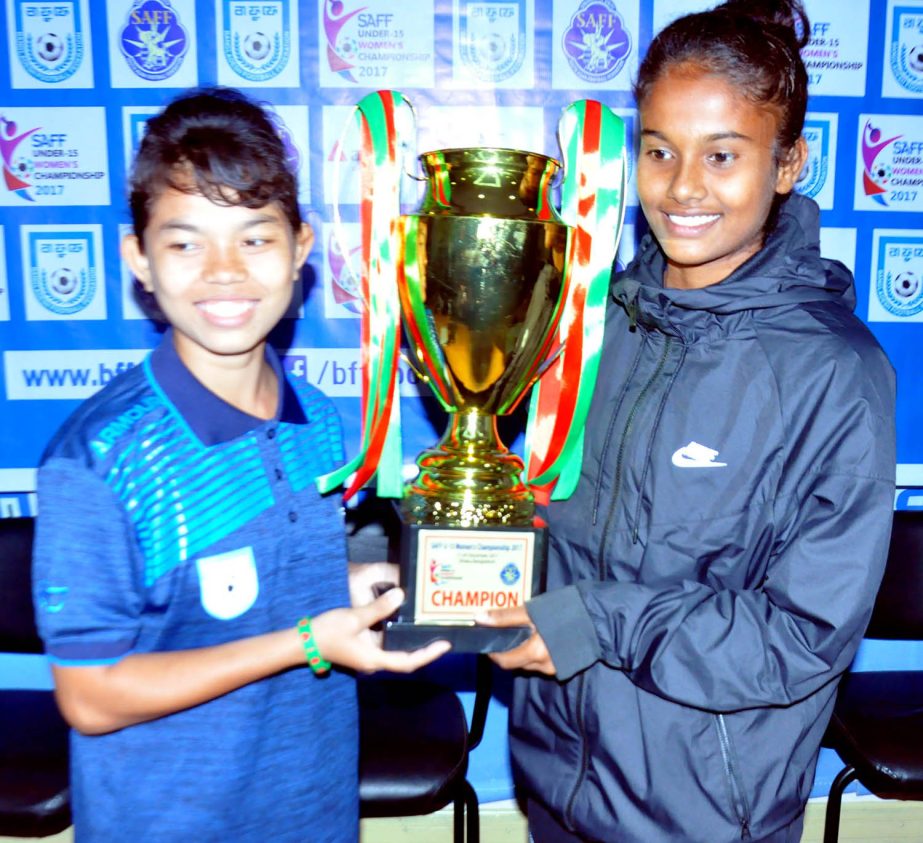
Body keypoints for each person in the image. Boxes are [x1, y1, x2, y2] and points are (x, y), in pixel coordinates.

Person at [477, 2, 897, 841]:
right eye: (659, 150)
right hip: (555, 784)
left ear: (788, 164)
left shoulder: (833, 373)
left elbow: (800, 636)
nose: (682, 186)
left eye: (722, 155)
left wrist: (591, 621)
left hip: (702, 816)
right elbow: (556, 531)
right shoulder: (595, 325)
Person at [31, 87, 449, 843]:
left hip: (313, 809)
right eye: (186, 242)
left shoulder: (325, 426)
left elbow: (255, 591)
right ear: (139, 259)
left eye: (255, 238)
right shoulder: (100, 457)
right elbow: (92, 696)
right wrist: (309, 640)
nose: (224, 271)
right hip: (166, 822)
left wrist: (344, 588)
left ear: (301, 249)